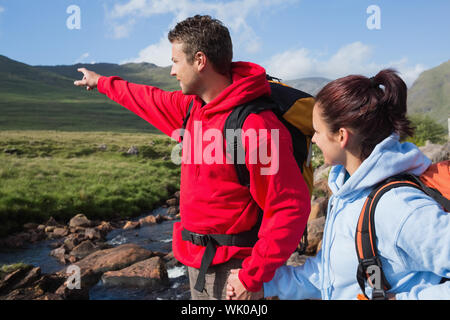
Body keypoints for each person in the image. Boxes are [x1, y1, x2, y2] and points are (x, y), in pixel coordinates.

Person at [74, 15, 311, 300]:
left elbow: (288, 207)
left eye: (176, 61)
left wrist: (253, 276)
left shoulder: (254, 126)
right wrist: (100, 82)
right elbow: (145, 97)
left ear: (200, 60)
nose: (172, 71)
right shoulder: (191, 108)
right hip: (197, 263)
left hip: (238, 270)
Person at [227, 69, 450, 300]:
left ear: (342, 136)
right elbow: (330, 275)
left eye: (317, 131)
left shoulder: (399, 208)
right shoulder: (347, 194)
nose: (313, 139)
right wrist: (266, 286)